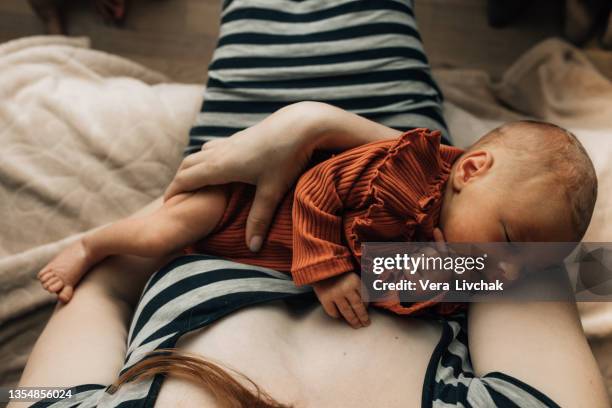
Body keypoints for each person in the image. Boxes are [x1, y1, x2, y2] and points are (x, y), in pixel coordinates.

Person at [10, 0, 610, 406]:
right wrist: (331, 129)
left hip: (232, 203)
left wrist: (206, 204)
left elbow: (97, 287)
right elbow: (545, 261)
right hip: (409, 220)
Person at [37, 117, 597, 328]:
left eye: (524, 266)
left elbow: (402, 291)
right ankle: (91, 243)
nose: (503, 268)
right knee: (157, 233)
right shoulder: (405, 167)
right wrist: (327, 270)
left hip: (249, 254)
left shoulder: (476, 261)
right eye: (506, 241)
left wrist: (437, 280)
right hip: (245, 201)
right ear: (470, 169)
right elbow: (314, 186)